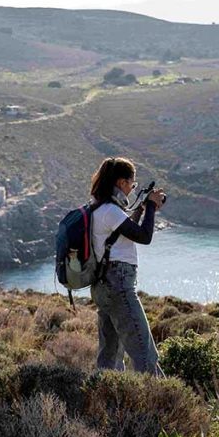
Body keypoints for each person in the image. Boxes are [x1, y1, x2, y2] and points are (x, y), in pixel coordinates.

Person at [89, 157, 166, 375]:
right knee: (144, 351)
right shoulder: (110, 211)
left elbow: (123, 231)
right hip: (119, 284)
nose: (132, 189)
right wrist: (151, 206)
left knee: (110, 355)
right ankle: (160, 395)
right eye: (132, 184)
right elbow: (143, 236)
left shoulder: (98, 208)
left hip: (103, 286)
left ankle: (105, 392)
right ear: (122, 182)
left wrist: (141, 209)